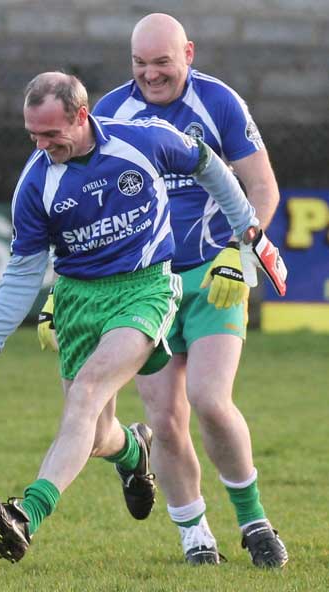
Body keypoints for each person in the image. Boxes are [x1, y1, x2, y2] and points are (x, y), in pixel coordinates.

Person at [0, 71, 276, 564]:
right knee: (93, 431)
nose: (43, 145)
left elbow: (209, 165)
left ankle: (28, 513)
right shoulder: (35, 185)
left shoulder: (143, 141)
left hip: (146, 289)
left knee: (88, 392)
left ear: (82, 115)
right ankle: (133, 453)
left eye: (52, 134)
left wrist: (246, 233)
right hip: (77, 300)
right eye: (34, 135)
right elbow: (22, 274)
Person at [39, 14, 289, 568]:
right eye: (139, 63)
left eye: (162, 62)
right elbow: (75, 210)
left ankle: (254, 521)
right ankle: (194, 534)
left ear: (189, 54)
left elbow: (262, 187)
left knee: (209, 398)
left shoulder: (219, 103)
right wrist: (59, 289)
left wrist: (238, 252)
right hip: (141, 286)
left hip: (211, 277)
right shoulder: (105, 113)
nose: (150, 75)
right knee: (166, 417)